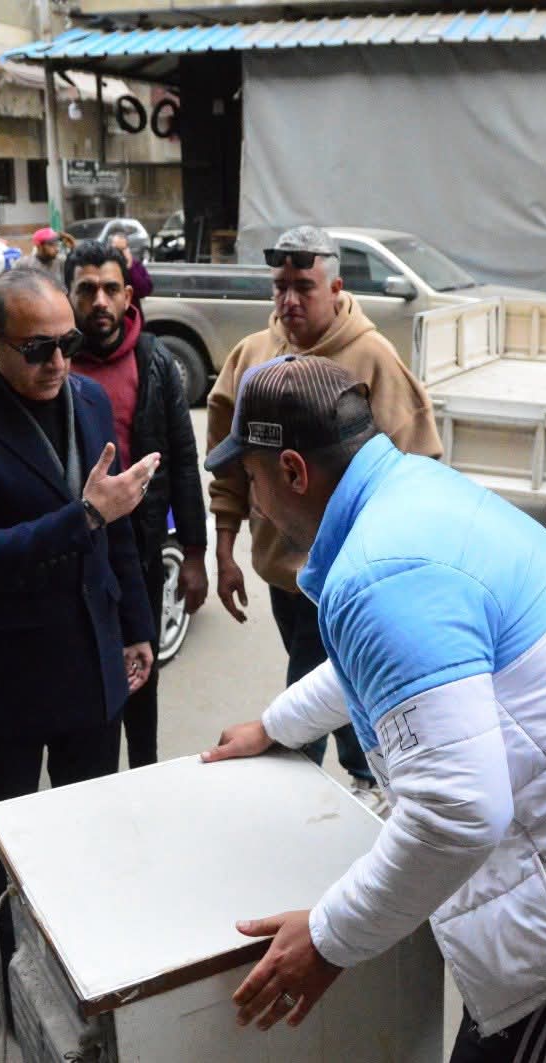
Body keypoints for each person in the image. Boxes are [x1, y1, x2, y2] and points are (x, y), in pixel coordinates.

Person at [200, 357, 546, 1062]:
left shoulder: (383, 571)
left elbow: (459, 813)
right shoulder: (412, 495)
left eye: (251, 478)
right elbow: (390, 668)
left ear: (293, 471)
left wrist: (330, 937)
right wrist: (275, 725)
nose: (252, 502)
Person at [0, 267, 158, 977]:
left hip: (92, 661)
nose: (57, 363)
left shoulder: (88, 397)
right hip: (5, 675)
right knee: (5, 835)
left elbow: (118, 527)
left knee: (89, 822)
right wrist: (84, 515)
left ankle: (88, 957)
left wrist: (135, 625)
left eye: (67, 344)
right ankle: (10, 972)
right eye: (37, 349)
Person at [207, 225, 442, 809]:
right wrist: (224, 547)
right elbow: (227, 464)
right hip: (282, 573)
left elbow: (418, 464)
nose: (289, 300)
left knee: (314, 682)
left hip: (347, 574)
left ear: (335, 289)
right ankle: (362, 773)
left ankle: (306, 795)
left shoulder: (372, 358)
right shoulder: (252, 357)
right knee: (333, 679)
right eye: (280, 287)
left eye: (304, 287)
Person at [65, 239, 208, 767]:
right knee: (89, 689)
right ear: (68, 296)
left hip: (141, 555)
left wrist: (194, 553)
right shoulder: (54, 364)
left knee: (142, 679)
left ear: (128, 295)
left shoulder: (155, 361)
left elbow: (183, 461)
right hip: (73, 552)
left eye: (110, 288)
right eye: (86, 290)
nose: (99, 301)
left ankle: (146, 773)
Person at [110, 231, 153, 303]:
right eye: (116, 249)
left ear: (127, 249)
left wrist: (130, 267)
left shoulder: (135, 266)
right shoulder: (106, 265)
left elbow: (144, 291)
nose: (118, 253)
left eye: (122, 249)